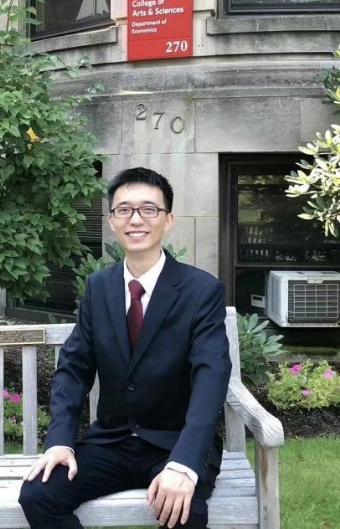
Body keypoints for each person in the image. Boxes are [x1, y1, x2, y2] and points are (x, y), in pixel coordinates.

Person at [18, 166, 232, 529]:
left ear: (168, 219)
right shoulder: (98, 287)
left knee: (184, 512)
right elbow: (73, 369)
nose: (136, 219)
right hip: (112, 441)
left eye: (149, 209)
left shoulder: (201, 291)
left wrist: (184, 464)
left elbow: (211, 378)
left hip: (176, 442)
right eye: (124, 210)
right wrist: (60, 442)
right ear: (112, 221)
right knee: (39, 495)